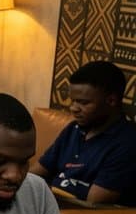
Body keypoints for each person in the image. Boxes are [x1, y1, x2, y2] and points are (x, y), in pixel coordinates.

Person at [32, 59, 133, 206]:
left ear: (111, 101)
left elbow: (93, 205)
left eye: (83, 103)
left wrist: (43, 194)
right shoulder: (74, 129)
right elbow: (35, 173)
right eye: (73, 101)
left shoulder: (127, 143)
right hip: (49, 206)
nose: (73, 108)